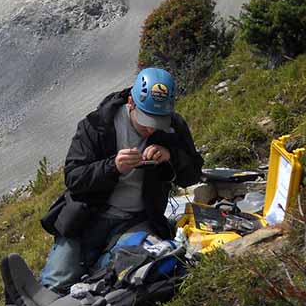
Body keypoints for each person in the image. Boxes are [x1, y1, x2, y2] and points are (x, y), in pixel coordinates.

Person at [39, 67, 203, 294]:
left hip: (138, 220)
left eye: (158, 121)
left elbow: (194, 174)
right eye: (146, 119)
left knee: (119, 278)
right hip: (88, 217)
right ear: (131, 103)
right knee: (55, 283)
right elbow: (74, 178)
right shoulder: (97, 125)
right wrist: (112, 167)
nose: (150, 128)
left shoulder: (173, 128)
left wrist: (171, 157)